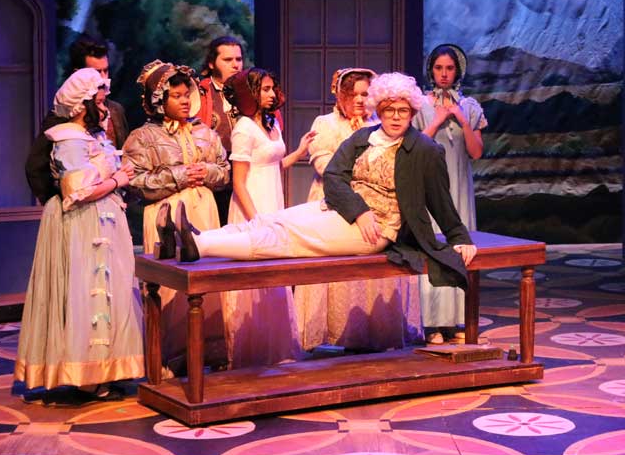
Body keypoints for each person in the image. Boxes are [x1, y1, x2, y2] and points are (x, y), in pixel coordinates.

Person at [162, 72, 478, 297]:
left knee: (287, 237)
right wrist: (358, 209)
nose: (396, 117)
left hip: (376, 229)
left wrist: (459, 237)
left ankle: (199, 247)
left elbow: (441, 202)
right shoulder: (363, 137)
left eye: (403, 111)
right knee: (273, 219)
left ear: (412, 112)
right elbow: (334, 176)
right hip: (342, 211)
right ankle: (193, 238)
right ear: (378, 110)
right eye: (389, 110)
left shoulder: (425, 150)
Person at [14, 68, 144, 404]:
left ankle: (102, 370)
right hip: (83, 225)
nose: (104, 108)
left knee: (105, 294)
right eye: (98, 103)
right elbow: (76, 190)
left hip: (102, 223)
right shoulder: (68, 137)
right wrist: (117, 179)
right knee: (86, 294)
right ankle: (84, 375)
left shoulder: (90, 137)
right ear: (79, 106)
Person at [294, 68, 422, 351]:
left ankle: (373, 332)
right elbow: (322, 164)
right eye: (353, 95)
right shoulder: (326, 123)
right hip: (335, 200)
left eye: (365, 94)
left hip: (378, 205)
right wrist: (363, 174)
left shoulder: (381, 123)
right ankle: (336, 333)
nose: (360, 100)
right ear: (340, 96)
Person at [122, 60, 230, 371]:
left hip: (204, 210)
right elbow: (136, 182)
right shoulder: (142, 137)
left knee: (207, 279)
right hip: (166, 213)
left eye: (187, 94)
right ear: (159, 99)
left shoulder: (205, 132)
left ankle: (210, 351)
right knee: (170, 286)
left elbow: (224, 172)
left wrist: (206, 171)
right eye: (176, 96)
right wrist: (180, 175)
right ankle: (170, 356)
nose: (184, 101)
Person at [218, 67, 314, 368]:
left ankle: (275, 349)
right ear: (251, 93)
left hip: (272, 203)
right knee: (254, 276)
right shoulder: (244, 128)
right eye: (266, 89)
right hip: (252, 206)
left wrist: (299, 152)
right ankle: (249, 352)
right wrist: (256, 221)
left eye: (273, 88)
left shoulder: (270, 124)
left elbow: (273, 165)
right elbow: (239, 182)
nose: (272, 94)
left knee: (274, 276)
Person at [412, 43, 487, 344]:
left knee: (460, 249)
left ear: (458, 71)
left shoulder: (470, 106)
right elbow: (415, 146)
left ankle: (457, 320)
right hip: (430, 189)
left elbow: (476, 152)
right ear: (431, 69)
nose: (444, 74)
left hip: (460, 188)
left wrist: (462, 119)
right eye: (439, 68)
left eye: (450, 68)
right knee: (434, 247)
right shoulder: (419, 105)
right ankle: (431, 323)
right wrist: (438, 120)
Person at [25, 35, 129, 205]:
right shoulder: (63, 118)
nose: (103, 78)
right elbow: (35, 167)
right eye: (96, 72)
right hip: (80, 207)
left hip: (112, 206)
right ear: (78, 75)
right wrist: (60, 203)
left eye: (106, 70)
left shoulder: (115, 111)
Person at [197, 36, 245, 225]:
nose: (235, 65)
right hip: (215, 171)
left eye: (238, 59)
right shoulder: (200, 93)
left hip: (245, 167)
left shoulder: (250, 91)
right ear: (211, 63)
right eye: (228, 60)